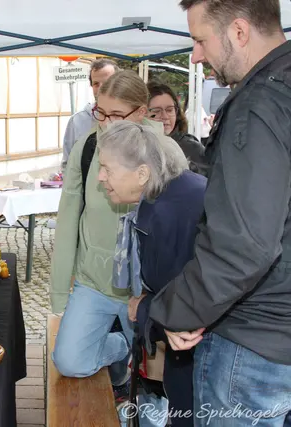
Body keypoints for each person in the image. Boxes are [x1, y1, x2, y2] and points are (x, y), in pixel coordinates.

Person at [149, 1, 291, 425]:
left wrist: (176, 311)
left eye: (200, 40)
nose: (195, 56)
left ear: (239, 32)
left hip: (254, 342)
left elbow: (244, 244)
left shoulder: (259, 104)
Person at [50, 70, 169, 427]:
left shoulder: (164, 151)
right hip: (94, 282)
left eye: (116, 115)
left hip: (144, 290)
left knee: (154, 386)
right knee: (69, 360)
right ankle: (121, 347)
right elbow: (68, 218)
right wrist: (60, 293)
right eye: (100, 112)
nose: (105, 123)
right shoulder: (87, 147)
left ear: (141, 112)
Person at [97, 121, 207, 427]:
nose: (100, 177)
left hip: (208, 358)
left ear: (142, 174)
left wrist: (144, 307)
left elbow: (186, 311)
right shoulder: (178, 192)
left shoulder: (164, 214)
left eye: (107, 169)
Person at [61, 58, 118, 172]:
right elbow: (68, 165)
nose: (101, 88)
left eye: (106, 83)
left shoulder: (130, 117)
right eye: (96, 84)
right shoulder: (77, 121)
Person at [147, 82, 207, 175]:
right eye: (156, 111)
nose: (165, 116)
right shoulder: (135, 146)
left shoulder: (192, 148)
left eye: (170, 110)